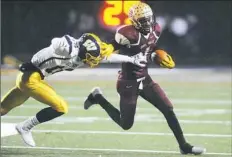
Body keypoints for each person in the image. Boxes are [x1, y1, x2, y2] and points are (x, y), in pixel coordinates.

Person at [84, 2, 206, 155]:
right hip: (128, 82)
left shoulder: (156, 29)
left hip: (145, 78)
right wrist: (107, 49)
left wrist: (160, 54)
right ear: (134, 21)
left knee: (168, 109)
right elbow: (112, 47)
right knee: (126, 124)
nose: (147, 23)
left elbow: (151, 47)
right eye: (143, 20)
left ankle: (184, 145)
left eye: (149, 19)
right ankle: (98, 97)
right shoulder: (127, 34)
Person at [0, 33, 147, 147]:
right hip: (30, 79)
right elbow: (56, 43)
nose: (93, 61)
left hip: (31, 78)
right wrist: (66, 45)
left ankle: (23, 126)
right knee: (61, 107)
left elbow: (106, 57)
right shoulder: (69, 48)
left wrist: (131, 60)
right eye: (91, 58)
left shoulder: (83, 53)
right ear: (82, 50)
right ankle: (25, 127)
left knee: (2, 109)